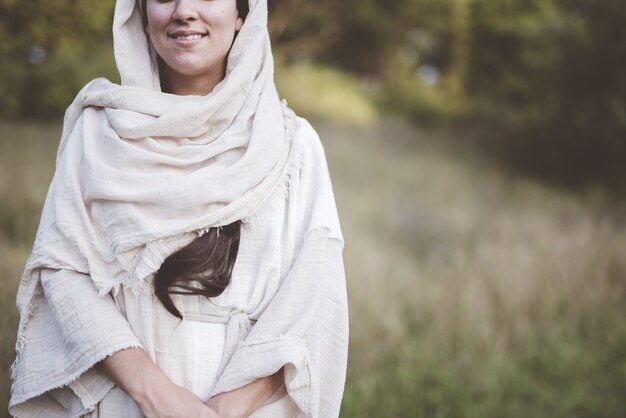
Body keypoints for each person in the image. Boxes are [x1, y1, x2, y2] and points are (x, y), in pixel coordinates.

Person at [8, 0, 349, 417]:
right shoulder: (98, 132)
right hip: (126, 402)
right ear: (140, 14)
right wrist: (156, 395)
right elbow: (62, 271)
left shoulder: (293, 146)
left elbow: (313, 297)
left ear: (243, 13)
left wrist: (223, 410)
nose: (185, 11)